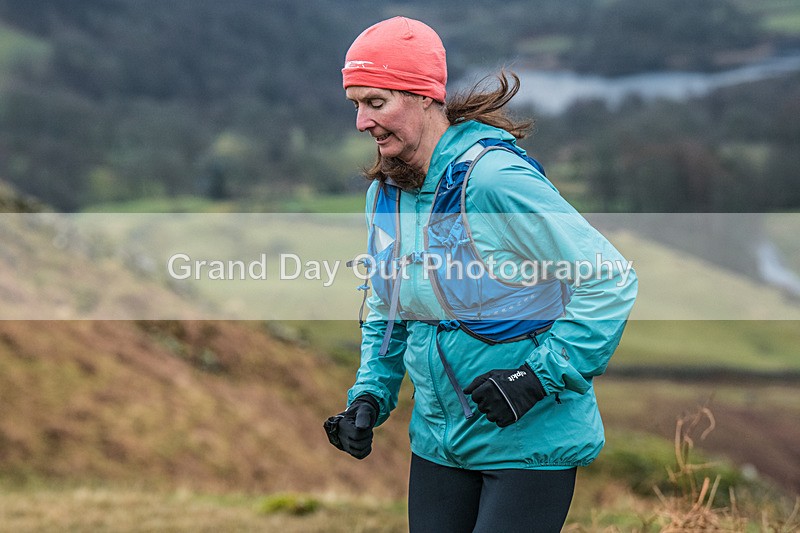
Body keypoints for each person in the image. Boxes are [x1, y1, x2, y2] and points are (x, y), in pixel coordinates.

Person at [323, 16, 638, 533]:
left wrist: (536, 377)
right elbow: (388, 305)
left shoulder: (493, 180)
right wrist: (369, 397)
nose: (361, 121)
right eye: (355, 104)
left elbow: (609, 279)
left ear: (425, 96)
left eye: (376, 103)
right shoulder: (386, 195)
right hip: (439, 442)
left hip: (526, 440)